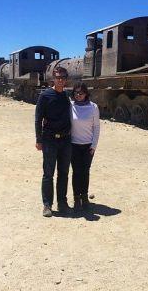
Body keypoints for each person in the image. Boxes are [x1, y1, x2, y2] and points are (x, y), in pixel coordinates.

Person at [35, 66, 72, 217]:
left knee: (63, 173)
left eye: (63, 77)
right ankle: (47, 205)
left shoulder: (67, 96)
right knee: (48, 173)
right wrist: (38, 139)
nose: (60, 80)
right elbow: (38, 119)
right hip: (49, 140)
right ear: (53, 79)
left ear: (66, 79)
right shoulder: (45, 95)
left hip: (65, 140)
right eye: (58, 77)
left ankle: (62, 203)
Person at [70, 82, 100, 212]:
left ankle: (85, 197)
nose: (78, 95)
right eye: (76, 93)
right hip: (73, 145)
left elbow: (96, 127)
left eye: (81, 93)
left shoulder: (93, 107)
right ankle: (76, 198)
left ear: (86, 94)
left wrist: (94, 145)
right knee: (76, 172)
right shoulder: (70, 106)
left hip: (88, 146)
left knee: (85, 172)